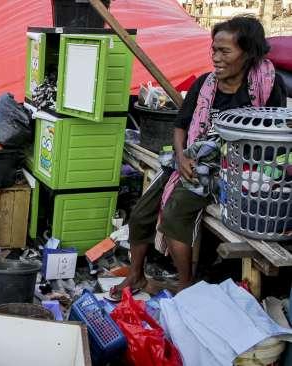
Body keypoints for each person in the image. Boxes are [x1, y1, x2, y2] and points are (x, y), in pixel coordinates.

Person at [109, 16, 288, 300]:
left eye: (225, 51)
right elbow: (181, 125)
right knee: (142, 212)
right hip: (194, 158)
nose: (216, 58)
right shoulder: (205, 84)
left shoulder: (268, 85)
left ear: (249, 53)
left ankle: (185, 283)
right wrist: (181, 158)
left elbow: (275, 134)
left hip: (238, 170)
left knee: (176, 211)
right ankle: (136, 275)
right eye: (214, 50)